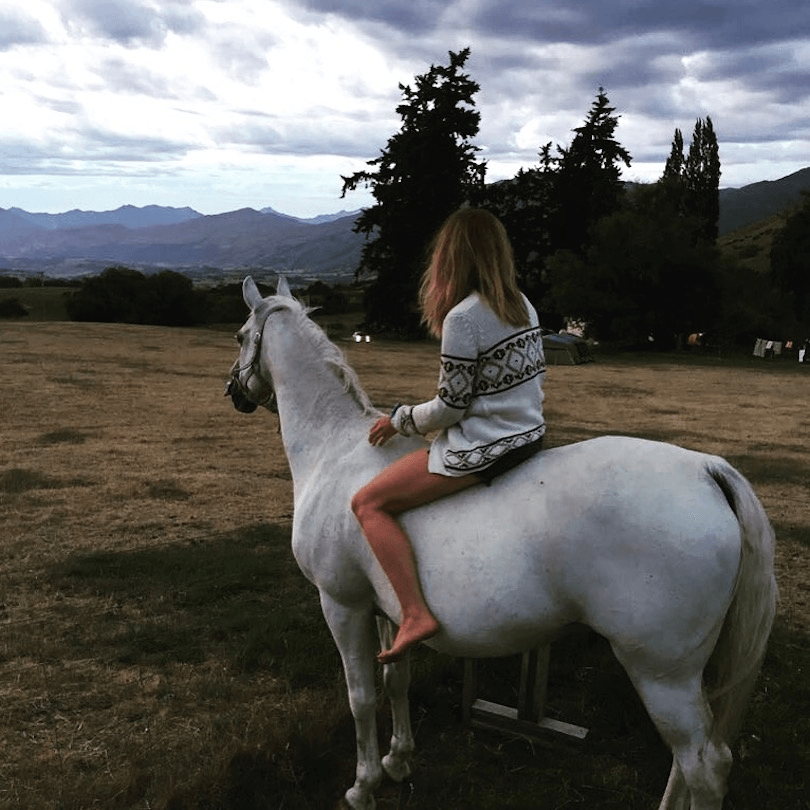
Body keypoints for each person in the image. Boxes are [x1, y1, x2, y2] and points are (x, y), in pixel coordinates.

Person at [351, 208, 547, 664]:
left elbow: (451, 407)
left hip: (484, 447)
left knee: (368, 503)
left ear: (451, 258)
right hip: (529, 435)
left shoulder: (463, 317)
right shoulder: (523, 303)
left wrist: (399, 419)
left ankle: (415, 614)